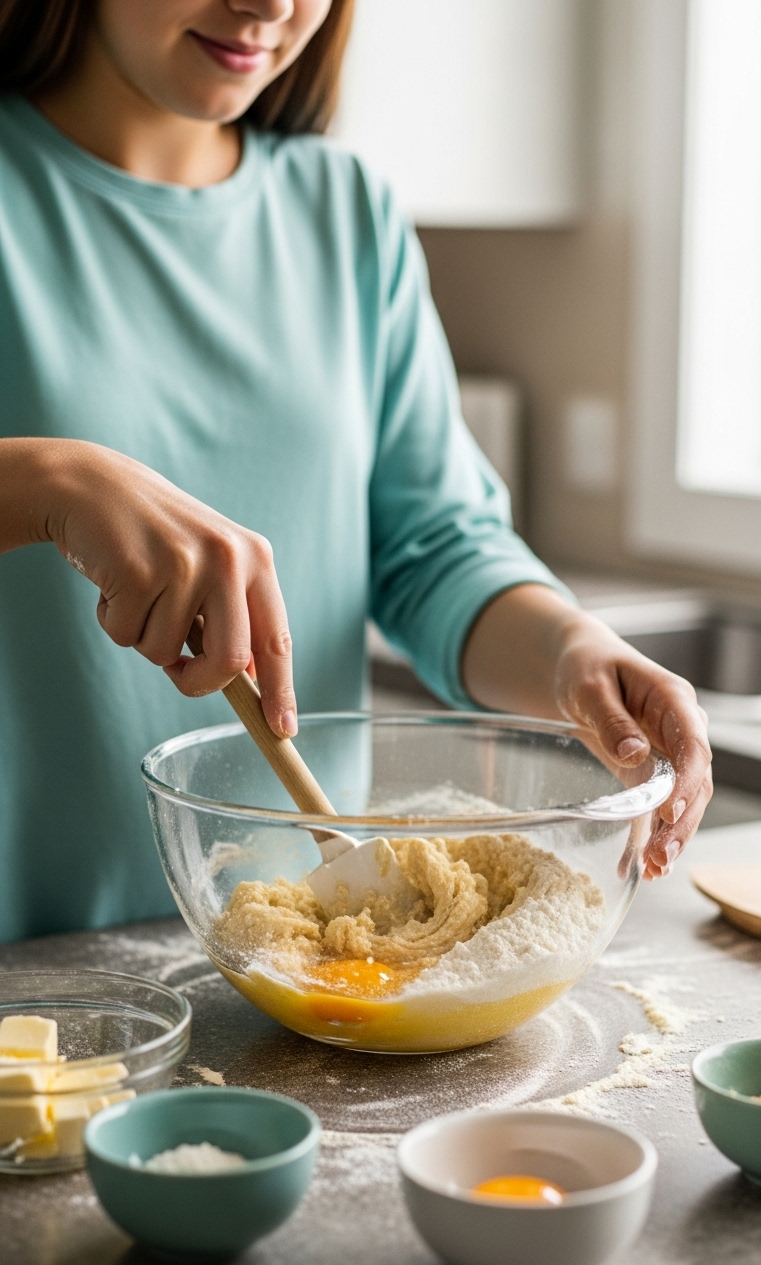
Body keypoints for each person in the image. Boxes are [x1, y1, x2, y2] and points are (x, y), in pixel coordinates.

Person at [0, 0, 712, 944]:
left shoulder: (347, 213)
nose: (270, 6)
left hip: (306, 960)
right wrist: (52, 482)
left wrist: (571, 653)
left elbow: (435, 548)